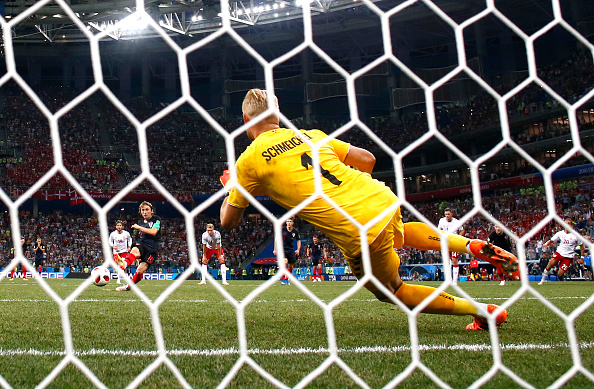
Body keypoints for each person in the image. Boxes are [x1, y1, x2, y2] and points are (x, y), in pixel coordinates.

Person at [219, 88, 519, 331]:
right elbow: (367, 159)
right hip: (380, 197)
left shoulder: (249, 160)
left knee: (391, 291)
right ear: (277, 113)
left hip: (358, 227)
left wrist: (232, 188)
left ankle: (484, 312)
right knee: (397, 235)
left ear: (246, 119)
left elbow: (228, 222)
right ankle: (471, 245)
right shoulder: (310, 135)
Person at [114, 201, 162, 291]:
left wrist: (139, 227)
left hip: (152, 248)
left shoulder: (156, 219)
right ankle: (124, 263)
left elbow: (153, 232)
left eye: (147, 210)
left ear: (152, 211)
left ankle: (128, 286)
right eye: (142, 210)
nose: (145, 212)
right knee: (135, 250)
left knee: (140, 271)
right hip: (142, 245)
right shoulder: (140, 222)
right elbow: (139, 237)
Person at [538, 219, 585, 285]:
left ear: (571, 226)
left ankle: (561, 277)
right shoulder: (560, 233)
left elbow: (582, 246)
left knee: (560, 274)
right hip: (559, 253)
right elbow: (551, 240)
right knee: (550, 264)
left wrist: (582, 257)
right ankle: (542, 280)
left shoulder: (576, 235)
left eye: (569, 223)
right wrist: (546, 244)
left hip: (568, 257)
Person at [437, 208, 465, 285]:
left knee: (454, 260)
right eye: (446, 214)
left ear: (452, 214)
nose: (447, 216)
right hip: (445, 243)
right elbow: (438, 230)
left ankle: (455, 280)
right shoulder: (442, 221)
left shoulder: (456, 222)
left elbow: (462, 230)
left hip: (454, 242)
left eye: (448, 214)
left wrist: (458, 237)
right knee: (447, 261)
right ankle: (449, 279)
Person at [273, 218, 301, 285]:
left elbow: (298, 241)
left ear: (292, 223)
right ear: (286, 223)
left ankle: (287, 278)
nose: (288, 223)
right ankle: (283, 279)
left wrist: (298, 249)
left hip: (290, 250)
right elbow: (276, 239)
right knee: (285, 262)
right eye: (287, 221)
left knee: (291, 266)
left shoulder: (295, 231)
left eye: (290, 221)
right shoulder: (282, 230)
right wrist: (275, 249)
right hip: (282, 249)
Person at [109, 220, 132, 285]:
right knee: (117, 266)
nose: (119, 227)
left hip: (124, 251)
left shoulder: (126, 233)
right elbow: (110, 241)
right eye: (118, 225)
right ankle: (122, 277)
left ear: (122, 226)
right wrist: (113, 246)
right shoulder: (113, 234)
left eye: (120, 225)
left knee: (121, 265)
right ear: (116, 226)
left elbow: (130, 240)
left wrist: (129, 247)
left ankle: (118, 280)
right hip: (116, 252)